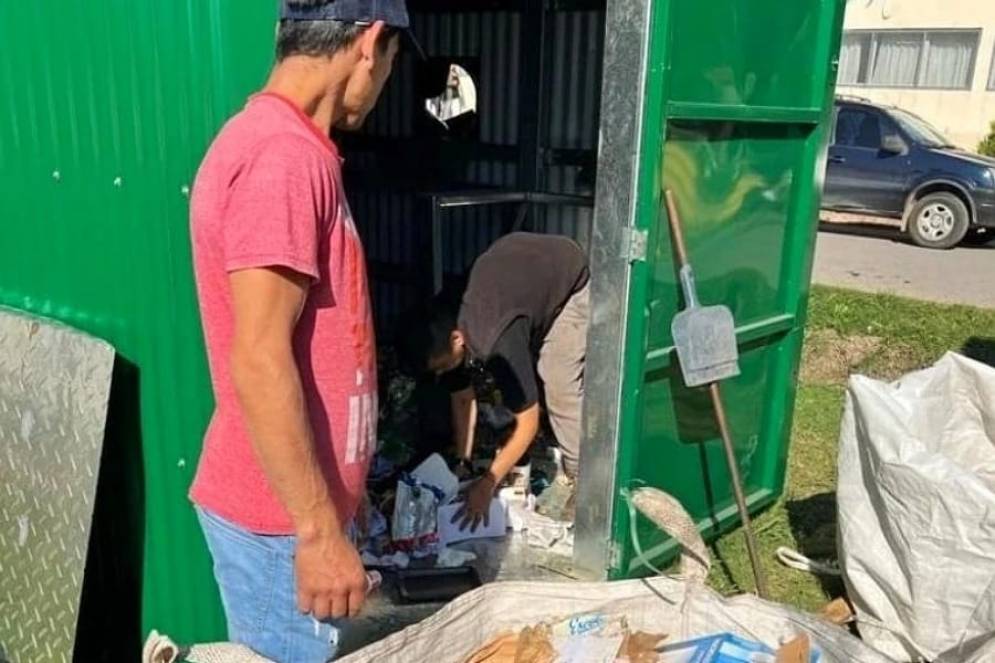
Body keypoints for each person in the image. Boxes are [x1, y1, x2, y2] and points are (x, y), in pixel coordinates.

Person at [187, 1, 416, 660]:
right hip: (278, 526)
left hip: (290, 514)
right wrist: (317, 529)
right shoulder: (284, 159)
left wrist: (342, 496)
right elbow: (259, 358)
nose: (382, 86)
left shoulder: (283, 144)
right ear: (370, 43)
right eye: (393, 62)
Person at [399, 232, 590, 530]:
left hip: (567, 275)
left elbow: (528, 423)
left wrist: (488, 482)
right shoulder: (447, 319)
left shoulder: (495, 339)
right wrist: (462, 465)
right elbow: (462, 398)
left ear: (457, 340)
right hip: (518, 271)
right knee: (528, 369)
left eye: (440, 367)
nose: (440, 374)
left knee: (556, 376)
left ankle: (583, 481)